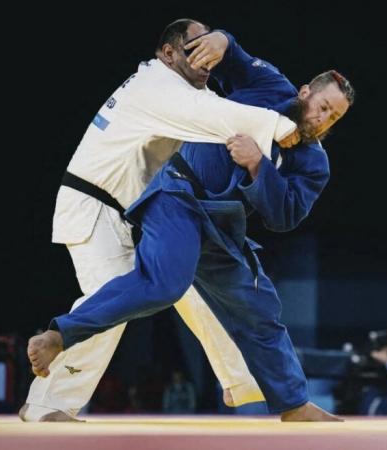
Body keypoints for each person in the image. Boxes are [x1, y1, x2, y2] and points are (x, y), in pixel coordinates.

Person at [28, 28, 354, 421]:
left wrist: (258, 166)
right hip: (177, 197)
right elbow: (231, 57)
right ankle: (60, 337)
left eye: (332, 116)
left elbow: (285, 216)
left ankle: (291, 403)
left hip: (222, 224)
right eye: (321, 106)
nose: (321, 119)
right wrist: (222, 39)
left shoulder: (314, 162)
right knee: (165, 283)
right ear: (304, 92)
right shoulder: (268, 84)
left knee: (257, 306)